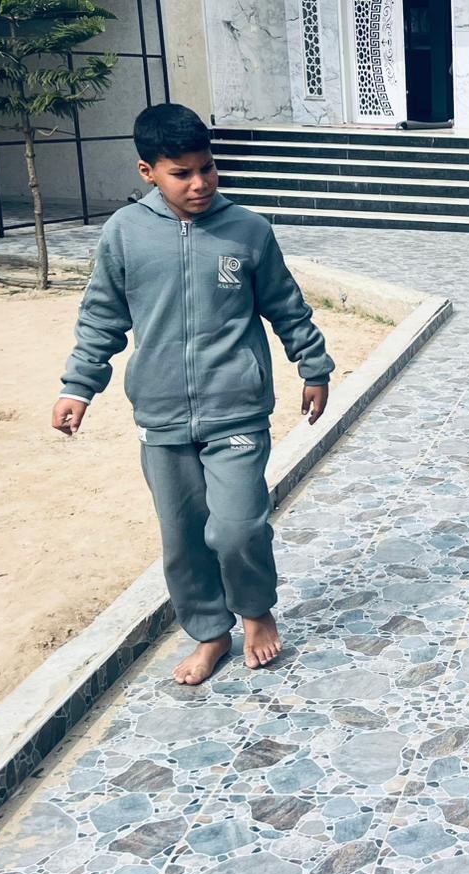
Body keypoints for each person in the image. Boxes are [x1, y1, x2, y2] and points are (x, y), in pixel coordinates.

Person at [52, 103, 334, 686]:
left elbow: (285, 304)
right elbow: (101, 317)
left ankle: (256, 612)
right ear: (146, 171)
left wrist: (313, 365)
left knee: (236, 527)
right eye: (181, 172)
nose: (200, 183)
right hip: (160, 415)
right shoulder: (124, 235)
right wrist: (79, 387)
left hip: (237, 407)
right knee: (181, 539)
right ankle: (210, 633)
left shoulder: (248, 229)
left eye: (207, 168)